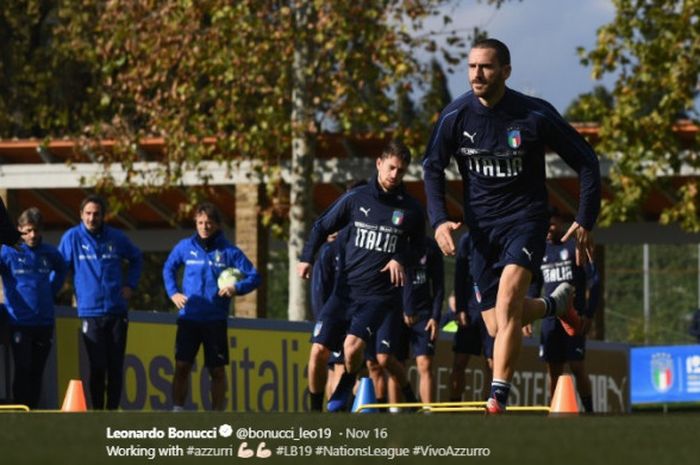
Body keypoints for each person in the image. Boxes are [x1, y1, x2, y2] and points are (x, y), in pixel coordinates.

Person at [422, 38, 601, 413]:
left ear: (505, 71)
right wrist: (438, 220)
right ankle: (554, 305)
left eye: (485, 67)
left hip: (525, 222)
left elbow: (586, 160)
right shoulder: (455, 117)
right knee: (495, 324)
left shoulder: (533, 115)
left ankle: (497, 398)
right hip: (482, 232)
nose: (476, 74)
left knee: (507, 305)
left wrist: (585, 217)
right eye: (471, 67)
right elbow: (431, 167)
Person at [298, 140, 425, 412]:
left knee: (353, 348)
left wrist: (401, 258)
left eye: (400, 171)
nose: (394, 175)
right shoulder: (356, 198)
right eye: (391, 167)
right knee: (318, 352)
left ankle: (348, 380)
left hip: (377, 296)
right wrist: (307, 257)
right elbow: (322, 225)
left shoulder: (411, 209)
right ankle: (313, 411)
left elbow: (421, 246)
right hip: (344, 292)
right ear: (379, 164)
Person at [163, 202, 261, 411]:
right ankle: (177, 411)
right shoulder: (185, 247)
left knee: (216, 370)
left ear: (217, 224)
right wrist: (173, 293)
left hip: (215, 319)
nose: (204, 227)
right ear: (196, 223)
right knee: (182, 366)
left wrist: (236, 288)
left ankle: (217, 416)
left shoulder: (229, 251)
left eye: (208, 223)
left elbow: (255, 276)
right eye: (200, 222)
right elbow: (168, 268)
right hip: (189, 317)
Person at [58, 195, 143, 410]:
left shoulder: (116, 238)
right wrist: (52, 293)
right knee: (97, 366)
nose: (91, 218)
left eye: (96, 214)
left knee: (115, 367)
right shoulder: (72, 238)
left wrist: (130, 285)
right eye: (87, 213)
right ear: (81, 214)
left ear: (103, 216)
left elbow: (136, 258)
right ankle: (97, 412)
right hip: (90, 312)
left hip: (116, 311)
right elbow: (59, 269)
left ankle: (112, 412)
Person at [530, 209, 600, 413]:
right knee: (553, 370)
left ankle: (590, 412)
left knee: (577, 366)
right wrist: (529, 317)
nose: (549, 229)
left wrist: (589, 313)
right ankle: (556, 410)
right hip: (550, 319)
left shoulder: (573, 246)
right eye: (546, 224)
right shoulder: (540, 250)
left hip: (573, 316)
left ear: (560, 222)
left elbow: (593, 280)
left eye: (552, 224)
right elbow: (534, 285)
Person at [0, 208, 66, 408]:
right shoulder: (8, 251)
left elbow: (62, 269)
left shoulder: (50, 252)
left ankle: (33, 410)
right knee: (23, 367)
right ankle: (21, 410)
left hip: (44, 322)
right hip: (19, 321)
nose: (32, 235)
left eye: (36, 230)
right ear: (19, 229)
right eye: (27, 230)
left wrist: (50, 290)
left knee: (37, 370)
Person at [449, 232, 494, 403]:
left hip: (492, 309)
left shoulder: (498, 235)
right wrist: (460, 308)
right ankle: (453, 408)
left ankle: (489, 409)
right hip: (469, 311)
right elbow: (459, 276)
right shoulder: (466, 239)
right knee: (459, 362)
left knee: (492, 364)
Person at [399, 236, 444, 403]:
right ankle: (393, 412)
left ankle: (427, 412)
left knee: (425, 364)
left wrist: (435, 317)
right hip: (397, 314)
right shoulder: (397, 242)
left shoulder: (430, 247)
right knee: (396, 364)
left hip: (423, 316)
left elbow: (438, 286)